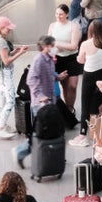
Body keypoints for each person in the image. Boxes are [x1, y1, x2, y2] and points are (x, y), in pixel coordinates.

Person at [14, 35, 64, 168]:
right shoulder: (38, 60)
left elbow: (49, 74)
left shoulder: (49, 60)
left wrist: (58, 77)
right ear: (45, 47)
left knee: (53, 129)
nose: (54, 48)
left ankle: (55, 154)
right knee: (40, 132)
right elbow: (31, 80)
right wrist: (41, 96)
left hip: (50, 102)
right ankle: (20, 152)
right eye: (52, 46)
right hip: (40, 104)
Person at [70, 20, 102, 148]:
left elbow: (81, 60)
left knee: (86, 104)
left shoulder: (86, 44)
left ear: (90, 30)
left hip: (90, 75)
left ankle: (83, 135)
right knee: (99, 104)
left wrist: (79, 57)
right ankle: (97, 135)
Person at [0, 16, 29, 139]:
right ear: (1, 28)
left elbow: (3, 57)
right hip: (6, 74)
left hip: (1, 74)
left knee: (2, 97)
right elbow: (6, 61)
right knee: (11, 100)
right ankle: (0, 128)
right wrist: (20, 53)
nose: (9, 30)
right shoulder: (1, 42)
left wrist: (14, 51)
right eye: (7, 28)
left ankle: (4, 125)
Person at [49, 3, 82, 113]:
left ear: (67, 14)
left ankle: (70, 108)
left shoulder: (73, 26)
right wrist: (57, 48)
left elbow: (74, 46)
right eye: (57, 14)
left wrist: (57, 44)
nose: (58, 16)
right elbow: (48, 44)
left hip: (72, 59)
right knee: (64, 85)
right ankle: (68, 110)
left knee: (72, 86)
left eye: (61, 14)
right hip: (58, 59)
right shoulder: (52, 26)